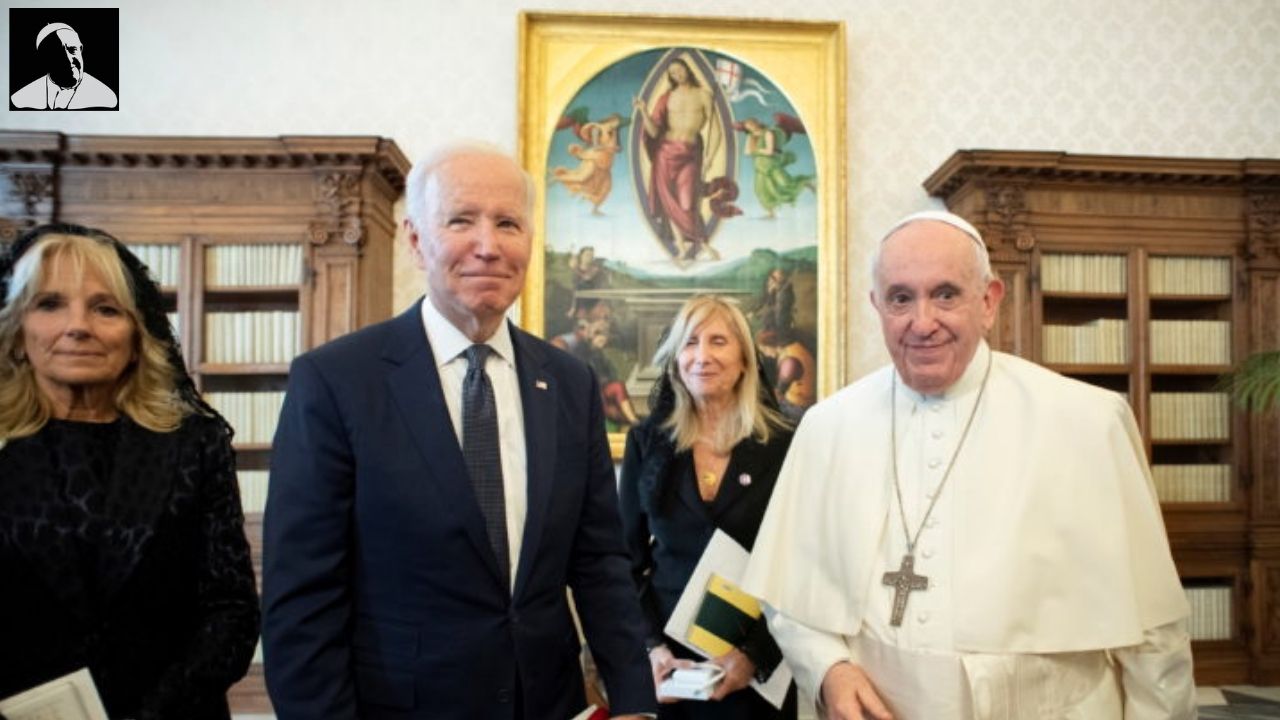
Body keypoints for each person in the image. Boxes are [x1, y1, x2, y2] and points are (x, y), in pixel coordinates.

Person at [742, 210, 1195, 719]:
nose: (923, 322)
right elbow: (789, 593)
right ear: (877, 306)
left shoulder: (1089, 421)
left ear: (989, 301)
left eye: (946, 294)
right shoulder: (827, 427)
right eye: (900, 298)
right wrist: (829, 669)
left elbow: (1155, 632)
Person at [262, 142, 656, 720]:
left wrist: (634, 702)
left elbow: (600, 563)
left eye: (508, 224)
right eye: (461, 221)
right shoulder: (336, 381)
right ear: (417, 241)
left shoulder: (569, 383)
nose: (488, 246)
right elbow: (302, 600)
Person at [0, 224, 259, 718]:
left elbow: (231, 612)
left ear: (139, 336)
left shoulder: (194, 444)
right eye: (50, 303)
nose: (78, 326)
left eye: (105, 308)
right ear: (17, 331)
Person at [619, 295, 797, 720]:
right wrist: (652, 649)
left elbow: (806, 563)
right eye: (690, 342)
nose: (702, 356)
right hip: (674, 672)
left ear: (744, 360)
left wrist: (752, 655)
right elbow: (622, 562)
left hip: (759, 664)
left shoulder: (787, 443)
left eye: (718, 341)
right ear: (675, 358)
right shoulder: (647, 442)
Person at [634, 58, 737, 264]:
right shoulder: (667, 97)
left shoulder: (704, 95)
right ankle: (681, 249)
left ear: (687, 70)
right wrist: (643, 111)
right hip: (665, 153)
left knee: (687, 202)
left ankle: (704, 244)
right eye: (672, 73)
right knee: (669, 202)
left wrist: (710, 156)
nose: (677, 75)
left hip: (689, 154)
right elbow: (654, 132)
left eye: (679, 70)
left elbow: (716, 129)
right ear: (670, 77)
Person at [10, 22, 118, 110]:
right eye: (58, 53)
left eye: (73, 50)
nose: (68, 59)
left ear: (80, 49)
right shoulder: (22, 98)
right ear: (45, 59)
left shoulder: (104, 97)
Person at [737, 116, 814, 219]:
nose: (751, 126)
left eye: (751, 123)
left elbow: (769, 151)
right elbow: (746, 152)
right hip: (760, 167)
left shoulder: (768, 133)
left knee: (785, 183)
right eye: (748, 126)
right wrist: (751, 139)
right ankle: (771, 213)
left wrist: (757, 150)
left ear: (757, 122)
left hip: (771, 164)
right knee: (761, 190)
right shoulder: (752, 137)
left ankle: (806, 183)